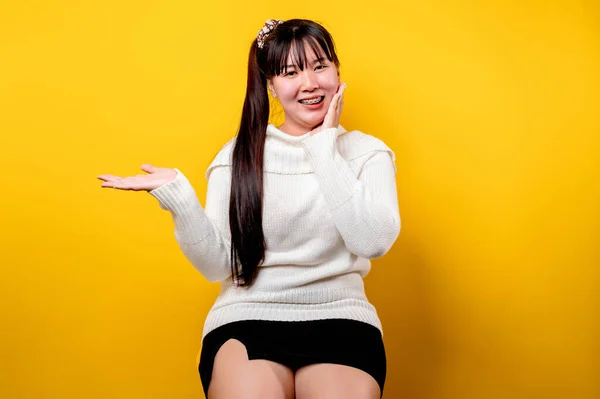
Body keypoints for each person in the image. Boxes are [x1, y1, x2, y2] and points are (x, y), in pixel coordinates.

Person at [98, 18, 400, 399]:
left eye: (320, 66)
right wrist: (179, 199)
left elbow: (373, 240)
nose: (310, 84)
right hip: (248, 316)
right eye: (290, 72)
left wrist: (324, 147)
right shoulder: (238, 155)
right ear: (271, 85)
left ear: (337, 70)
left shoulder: (366, 153)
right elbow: (219, 265)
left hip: (341, 317)